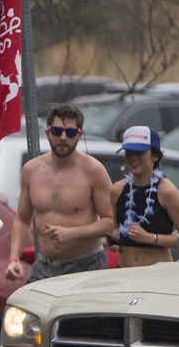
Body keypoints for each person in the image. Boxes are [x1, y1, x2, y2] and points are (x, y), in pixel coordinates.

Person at [6, 104, 114, 283]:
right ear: (48, 133)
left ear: (79, 135)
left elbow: (111, 222)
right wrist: (14, 258)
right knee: (27, 310)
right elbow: (22, 220)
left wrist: (72, 233)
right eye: (57, 131)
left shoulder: (93, 170)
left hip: (86, 265)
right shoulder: (32, 170)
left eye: (70, 133)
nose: (63, 138)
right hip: (44, 266)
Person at [109, 126, 179, 267]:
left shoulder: (166, 191)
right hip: (124, 273)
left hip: (157, 273)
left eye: (139, 153)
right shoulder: (116, 190)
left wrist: (151, 238)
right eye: (129, 153)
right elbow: (115, 228)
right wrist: (114, 238)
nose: (133, 158)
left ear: (154, 156)